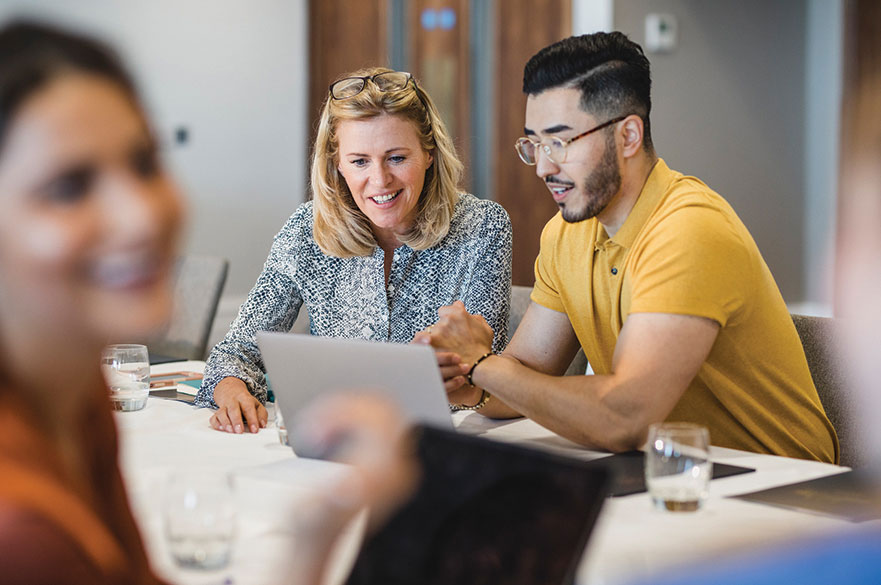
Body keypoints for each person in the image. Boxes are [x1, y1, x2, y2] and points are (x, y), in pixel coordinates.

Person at [0, 20, 416, 585]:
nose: (141, 215)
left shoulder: (77, 401)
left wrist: (319, 531)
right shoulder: (23, 530)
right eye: (70, 186)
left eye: (145, 161)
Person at [423, 32, 838, 462]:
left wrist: (484, 366)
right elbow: (524, 378)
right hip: (671, 472)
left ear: (628, 136)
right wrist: (461, 376)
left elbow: (623, 418)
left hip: (785, 490)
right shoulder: (566, 234)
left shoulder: (688, 229)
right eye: (535, 144)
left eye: (560, 142)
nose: (544, 167)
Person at [197, 66, 512, 434]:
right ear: (337, 165)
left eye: (396, 158)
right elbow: (235, 353)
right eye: (359, 161)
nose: (379, 180)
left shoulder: (483, 226)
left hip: (449, 444)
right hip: (336, 441)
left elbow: (488, 375)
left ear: (429, 153)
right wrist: (232, 391)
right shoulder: (306, 229)